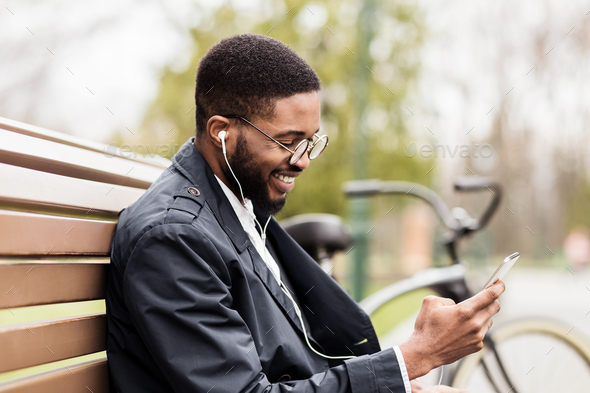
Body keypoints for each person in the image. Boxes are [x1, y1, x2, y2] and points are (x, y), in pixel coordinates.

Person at [105, 33, 504, 393]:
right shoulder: (173, 238)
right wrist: (415, 357)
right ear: (220, 132)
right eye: (288, 142)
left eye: (311, 142)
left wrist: (398, 385)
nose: (302, 161)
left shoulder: (236, 200)